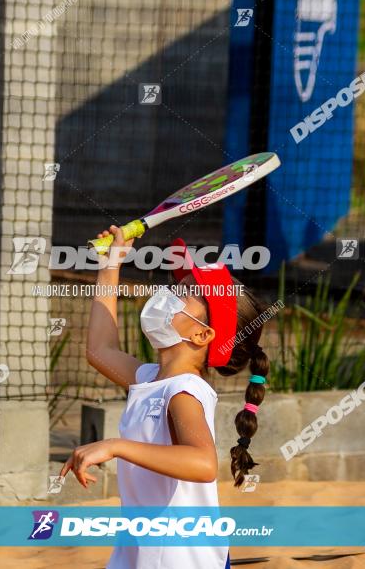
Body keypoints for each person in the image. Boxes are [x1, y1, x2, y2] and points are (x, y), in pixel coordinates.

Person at [61, 227, 271, 569]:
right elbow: (100, 350)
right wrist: (110, 264)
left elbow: (203, 464)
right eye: (179, 287)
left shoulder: (183, 391)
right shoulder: (152, 379)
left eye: (186, 294)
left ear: (203, 334)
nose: (170, 294)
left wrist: (115, 446)